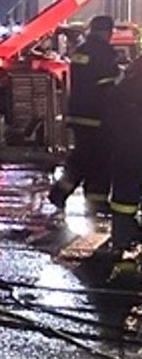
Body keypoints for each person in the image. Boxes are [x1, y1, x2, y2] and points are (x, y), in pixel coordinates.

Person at [51, 15, 123, 210]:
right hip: (97, 115)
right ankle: (93, 200)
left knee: (84, 156)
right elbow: (108, 85)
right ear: (108, 32)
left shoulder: (80, 51)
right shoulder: (105, 52)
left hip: (78, 113)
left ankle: (61, 192)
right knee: (99, 159)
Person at [106, 60, 142, 259]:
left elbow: (111, 107)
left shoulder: (126, 84)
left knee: (124, 192)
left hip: (125, 147)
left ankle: (121, 235)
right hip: (132, 145)